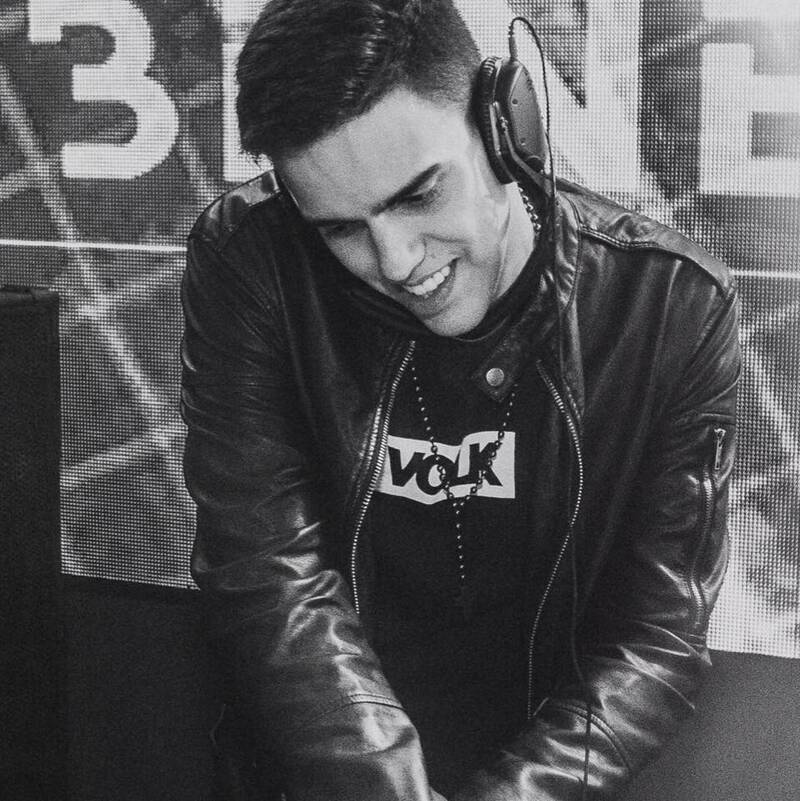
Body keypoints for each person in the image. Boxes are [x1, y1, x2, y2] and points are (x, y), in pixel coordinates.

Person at [180, 1, 740, 799]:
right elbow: (268, 570)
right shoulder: (252, 261)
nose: (396, 261)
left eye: (418, 196)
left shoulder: (671, 307)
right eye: (341, 230)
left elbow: (654, 641)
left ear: (506, 128)